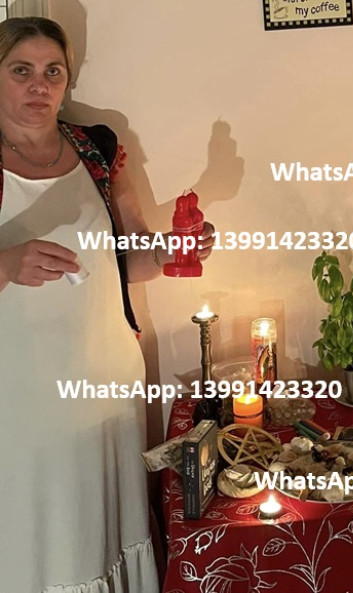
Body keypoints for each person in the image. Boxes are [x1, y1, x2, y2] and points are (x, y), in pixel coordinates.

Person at [0, 17, 214, 592]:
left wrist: (173, 250)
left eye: (53, 72)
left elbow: (129, 259)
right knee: (38, 533)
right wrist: (5, 264)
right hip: (18, 396)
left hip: (105, 376)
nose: (39, 85)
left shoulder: (95, 148)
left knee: (104, 526)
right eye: (21, 70)